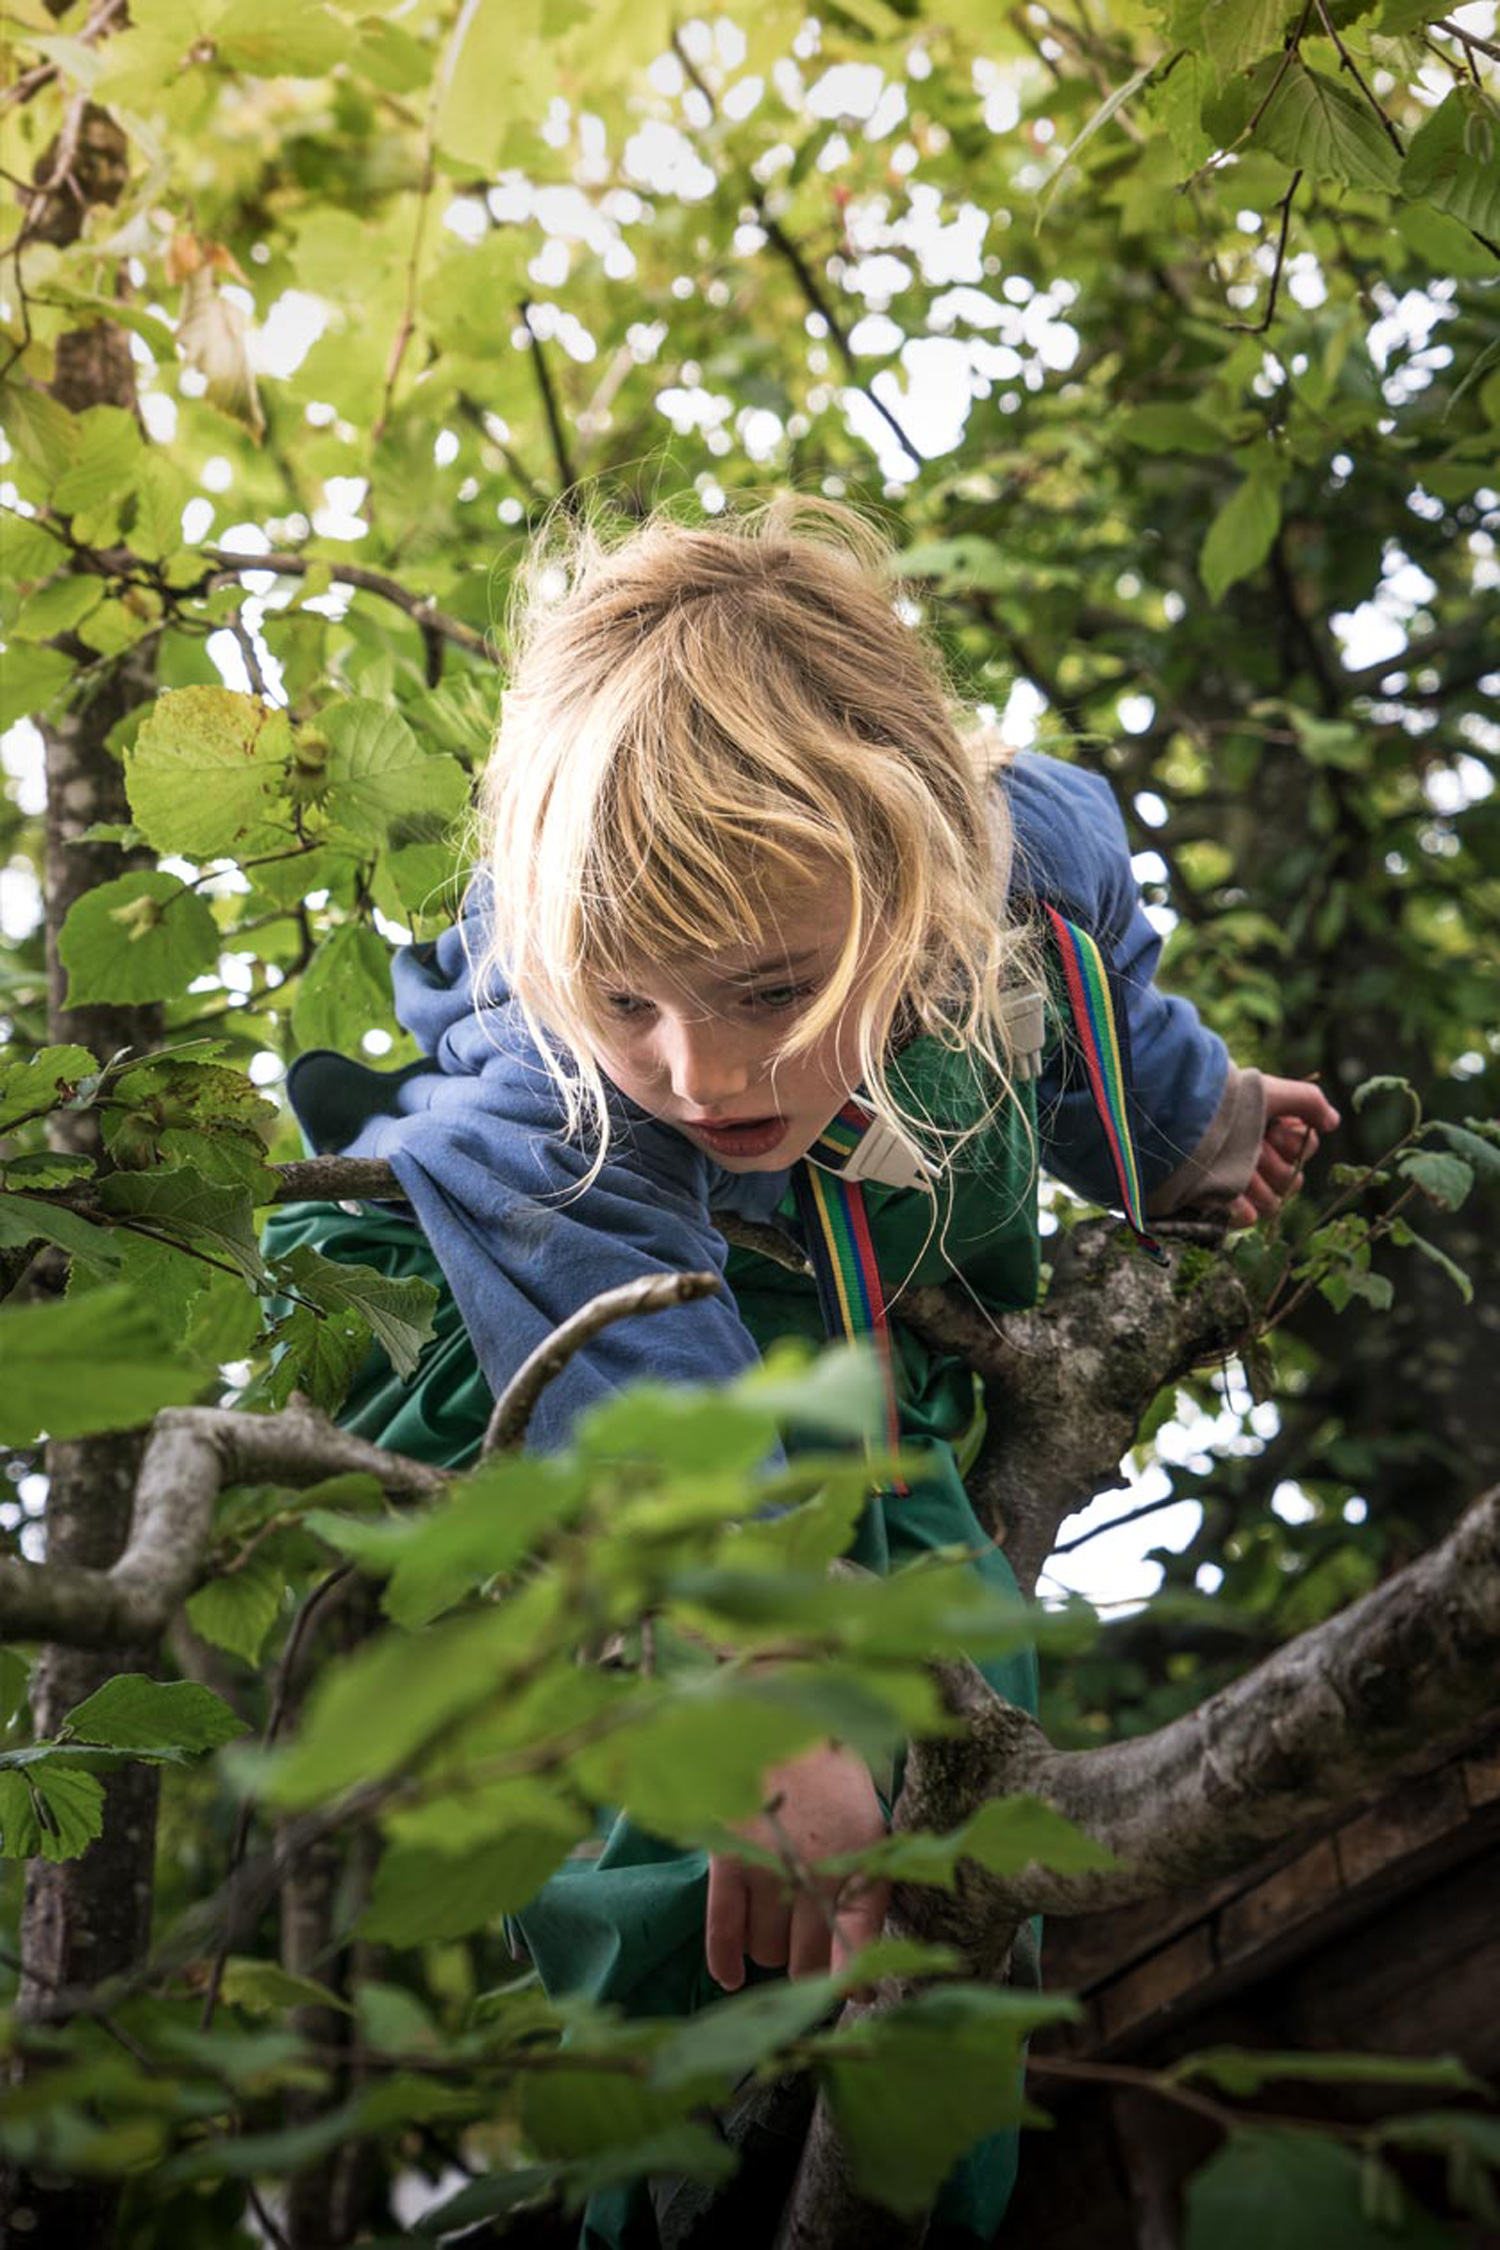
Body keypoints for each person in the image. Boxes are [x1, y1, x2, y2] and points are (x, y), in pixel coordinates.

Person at [266, 497, 1337, 2247]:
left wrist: (1191, 1124)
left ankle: (908, 2153)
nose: (702, 1063)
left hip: (836, 1349)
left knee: (940, 1742)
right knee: (677, 1782)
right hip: (551, 1335)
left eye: (771, 984)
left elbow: (1092, 988)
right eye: (636, 1002)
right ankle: (703, 2167)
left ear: (915, 880)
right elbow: (618, 1330)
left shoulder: (1019, 849)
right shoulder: (561, 1090)